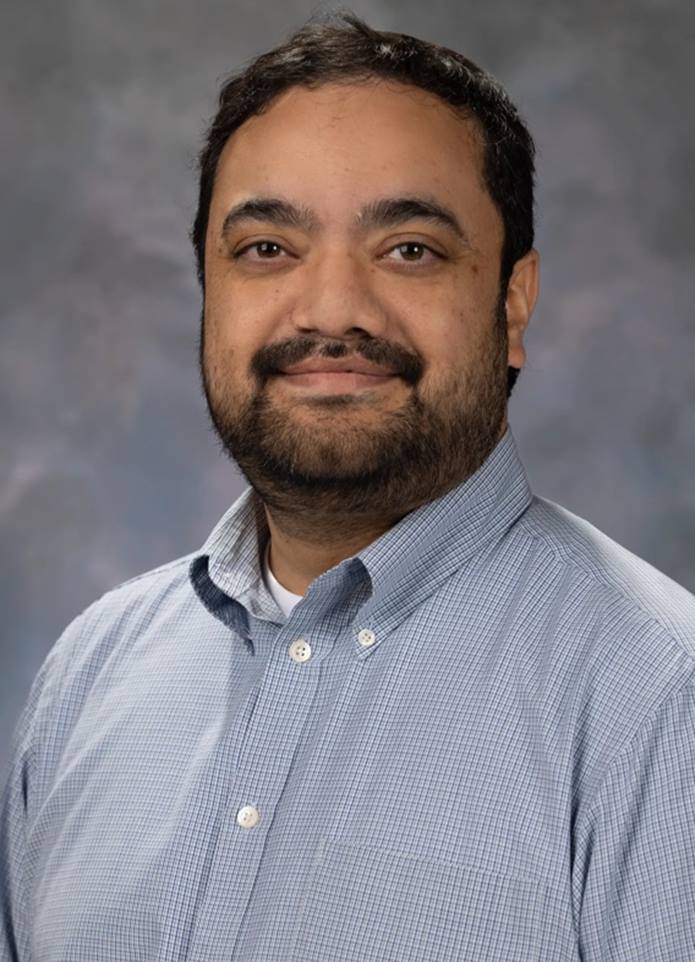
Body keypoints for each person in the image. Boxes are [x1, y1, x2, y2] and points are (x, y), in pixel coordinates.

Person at [1, 11, 693, 962]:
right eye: (266, 250)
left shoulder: (660, 701)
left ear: (513, 300)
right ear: (208, 291)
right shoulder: (91, 673)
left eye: (408, 247)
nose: (331, 311)